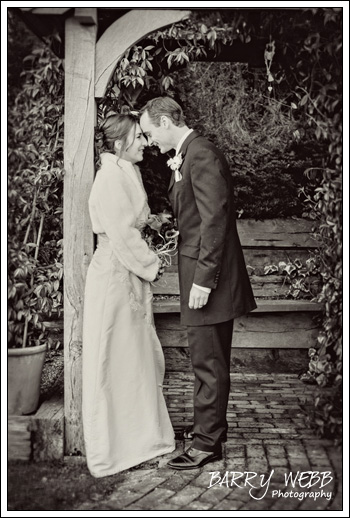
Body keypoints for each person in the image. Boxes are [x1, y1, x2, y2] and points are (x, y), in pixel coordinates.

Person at [140, 97, 257, 470]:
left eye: (148, 132)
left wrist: (204, 281)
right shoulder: (185, 154)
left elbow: (214, 221)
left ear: (164, 122)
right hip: (199, 272)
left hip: (211, 279)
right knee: (205, 357)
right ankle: (209, 428)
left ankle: (207, 444)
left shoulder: (200, 153)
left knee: (208, 360)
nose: (148, 140)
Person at [82, 112, 175, 478]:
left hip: (128, 276)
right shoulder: (108, 180)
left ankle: (142, 438)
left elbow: (132, 226)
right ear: (119, 144)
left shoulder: (126, 173)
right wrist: (152, 262)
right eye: (138, 137)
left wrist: (150, 246)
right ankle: (114, 449)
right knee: (115, 358)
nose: (144, 142)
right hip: (114, 279)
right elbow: (121, 235)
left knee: (134, 359)